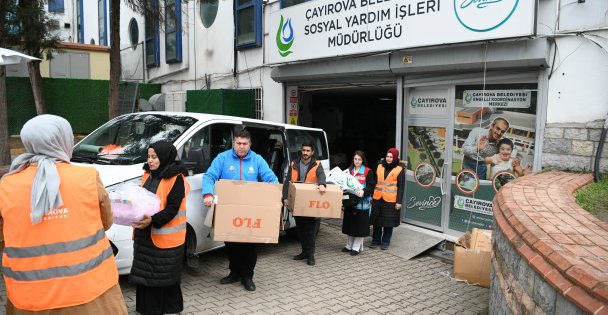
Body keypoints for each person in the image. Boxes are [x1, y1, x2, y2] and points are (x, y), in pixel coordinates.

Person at [0, 115, 127, 314]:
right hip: (91, 293)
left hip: (29, 299)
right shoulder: (87, 177)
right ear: (64, 140)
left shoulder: (7, 185)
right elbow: (106, 222)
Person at [202, 129, 278, 291]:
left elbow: (271, 179)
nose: (241, 147)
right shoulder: (222, 158)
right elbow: (209, 176)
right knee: (231, 245)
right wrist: (208, 194)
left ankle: (247, 276)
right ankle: (234, 272)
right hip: (228, 210)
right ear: (233, 143)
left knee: (249, 247)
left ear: (250, 144)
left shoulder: (257, 160)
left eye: (244, 144)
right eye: (238, 143)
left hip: (250, 211)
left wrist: (273, 196)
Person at [130, 141, 189, 315]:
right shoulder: (148, 174)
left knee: (163, 278)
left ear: (164, 157)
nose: (150, 160)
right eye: (148, 156)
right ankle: (149, 309)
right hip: (145, 236)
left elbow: (172, 208)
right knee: (147, 276)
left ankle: (168, 310)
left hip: (166, 240)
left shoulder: (176, 178)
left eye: (154, 157)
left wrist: (152, 220)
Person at [282, 141, 327, 266]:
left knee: (310, 231)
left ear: (312, 152)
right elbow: (287, 181)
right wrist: (285, 197)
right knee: (300, 230)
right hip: (297, 201)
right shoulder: (294, 163)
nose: (305, 153)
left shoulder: (317, 164)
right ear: (301, 151)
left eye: (308, 150)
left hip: (311, 202)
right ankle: (304, 252)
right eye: (304, 150)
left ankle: (310, 255)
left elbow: (321, 176)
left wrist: (322, 184)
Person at [341, 151, 375, 256]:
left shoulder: (367, 171)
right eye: (355, 159)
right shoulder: (349, 171)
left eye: (359, 159)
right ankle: (349, 245)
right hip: (349, 203)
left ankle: (356, 248)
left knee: (360, 227)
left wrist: (363, 191)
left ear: (362, 160)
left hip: (362, 204)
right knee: (350, 225)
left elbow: (371, 186)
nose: (357, 161)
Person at [370, 148, 405, 250]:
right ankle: (375, 240)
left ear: (395, 158)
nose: (389, 159)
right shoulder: (379, 166)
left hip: (391, 200)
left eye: (391, 157)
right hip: (377, 198)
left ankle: (385, 241)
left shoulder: (399, 170)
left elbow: (401, 187)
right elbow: (375, 182)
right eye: (387, 156)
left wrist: (399, 202)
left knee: (388, 223)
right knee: (376, 221)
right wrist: (372, 195)